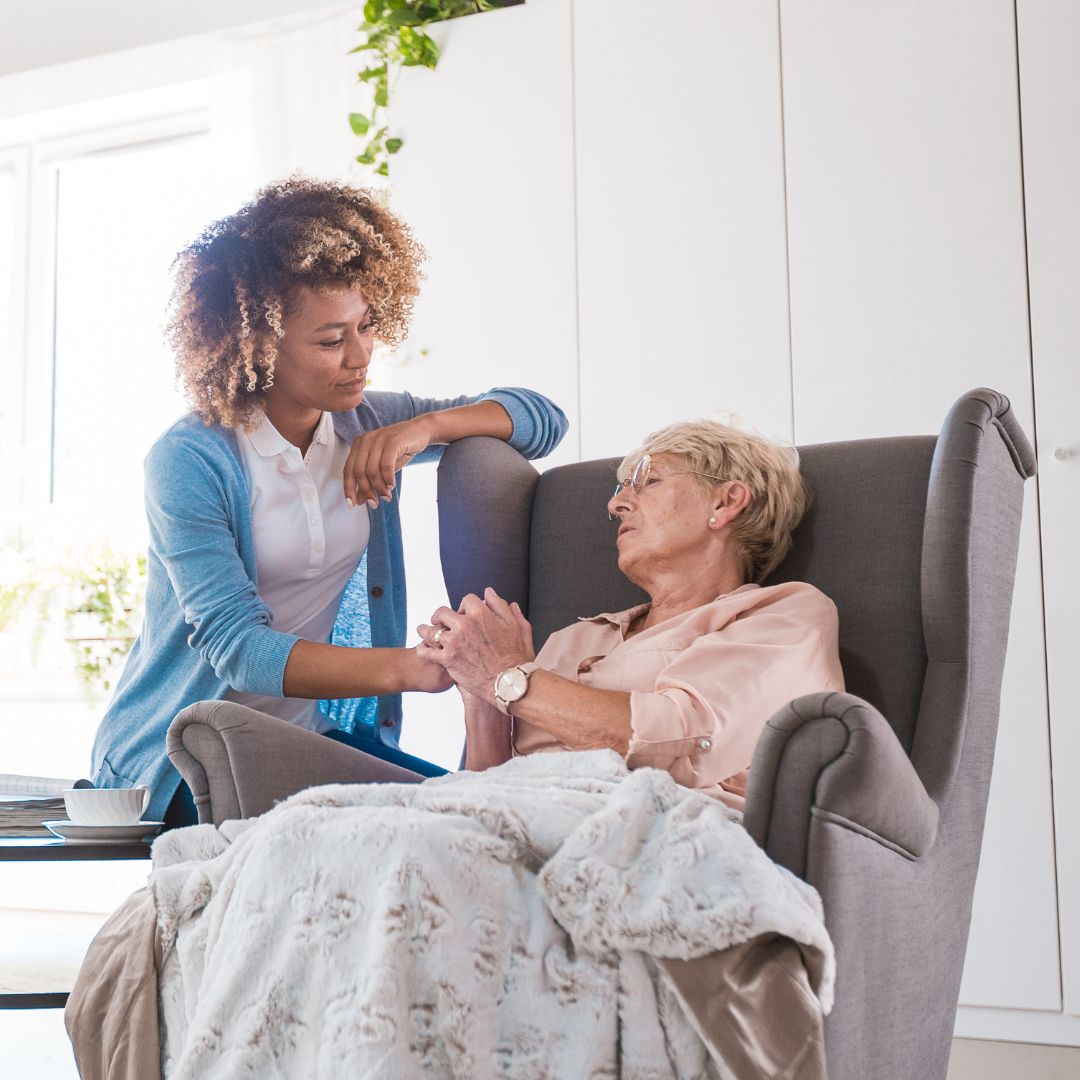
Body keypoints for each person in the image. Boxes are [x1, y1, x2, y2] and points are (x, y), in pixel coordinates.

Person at [89, 177, 567, 826]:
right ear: (256, 345)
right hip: (185, 760)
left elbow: (542, 418)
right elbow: (238, 648)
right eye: (330, 339)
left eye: (367, 326)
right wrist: (411, 668)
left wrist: (423, 429)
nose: (362, 355)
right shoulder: (191, 460)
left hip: (301, 748)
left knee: (460, 817)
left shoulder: (365, 420)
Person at [416, 418, 844, 810]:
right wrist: (480, 696)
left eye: (649, 481)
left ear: (726, 501)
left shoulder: (783, 617)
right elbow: (482, 796)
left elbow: (679, 740)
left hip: (664, 832)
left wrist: (504, 675)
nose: (617, 503)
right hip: (521, 825)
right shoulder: (573, 640)